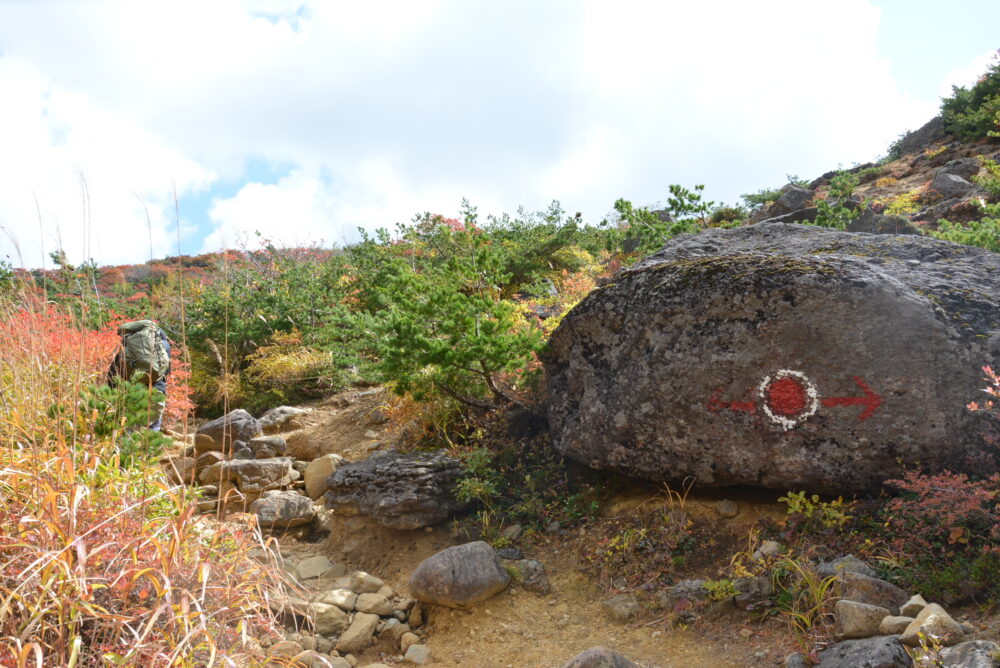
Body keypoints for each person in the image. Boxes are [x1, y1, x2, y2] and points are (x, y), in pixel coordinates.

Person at [107, 320, 171, 431]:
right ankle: (150, 448)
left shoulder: (127, 346)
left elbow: (113, 373)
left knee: (129, 429)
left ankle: (129, 448)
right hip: (157, 391)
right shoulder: (163, 345)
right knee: (153, 426)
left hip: (132, 392)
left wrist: (112, 394)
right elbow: (167, 371)